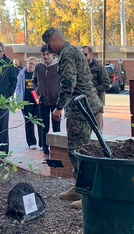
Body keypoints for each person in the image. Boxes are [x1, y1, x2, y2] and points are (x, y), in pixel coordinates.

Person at [42, 28, 103, 209]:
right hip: (83, 107)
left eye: (49, 46)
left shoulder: (67, 54)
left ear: (53, 40)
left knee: (80, 151)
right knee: (75, 150)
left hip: (81, 109)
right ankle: (79, 187)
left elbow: (69, 82)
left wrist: (59, 107)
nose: (50, 51)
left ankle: (87, 194)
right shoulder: (73, 50)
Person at [32, 45, 61, 163]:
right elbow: (33, 81)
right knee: (44, 127)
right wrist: (38, 90)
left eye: (47, 54)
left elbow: (63, 82)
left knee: (56, 127)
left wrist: (60, 98)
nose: (45, 56)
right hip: (43, 101)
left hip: (56, 101)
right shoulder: (38, 67)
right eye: (43, 54)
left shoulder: (58, 66)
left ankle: (57, 150)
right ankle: (45, 150)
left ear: (52, 54)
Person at [15, 57, 42, 149]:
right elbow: (18, 87)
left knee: (39, 121)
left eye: (33, 64)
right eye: (30, 63)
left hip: (37, 101)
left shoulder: (38, 73)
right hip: (26, 101)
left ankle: (42, 143)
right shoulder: (22, 74)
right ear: (27, 64)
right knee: (29, 122)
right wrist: (19, 100)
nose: (31, 66)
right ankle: (31, 142)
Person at [81, 46, 110, 132]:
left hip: (96, 104)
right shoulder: (79, 68)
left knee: (97, 131)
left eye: (85, 54)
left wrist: (92, 91)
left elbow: (106, 84)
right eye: (81, 55)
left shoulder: (99, 68)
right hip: (83, 105)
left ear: (91, 55)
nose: (83, 57)